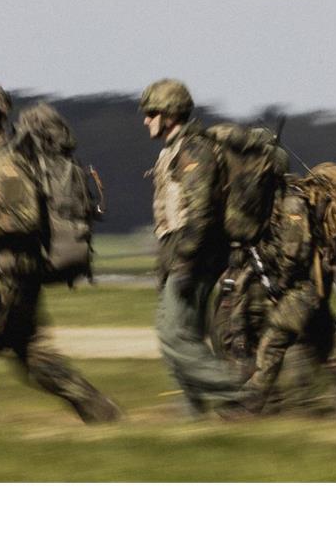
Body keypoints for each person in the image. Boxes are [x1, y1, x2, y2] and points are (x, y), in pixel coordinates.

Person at [0, 84, 120, 423]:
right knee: (36, 360)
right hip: (15, 272)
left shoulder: (6, 163)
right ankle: (104, 414)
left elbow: (24, 218)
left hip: (8, 274)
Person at [140, 78, 245, 418]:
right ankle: (191, 412)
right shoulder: (175, 149)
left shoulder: (193, 150)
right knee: (182, 335)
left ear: (170, 114)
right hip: (180, 253)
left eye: (152, 112)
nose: (146, 120)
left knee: (173, 335)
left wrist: (184, 261)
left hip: (194, 256)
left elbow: (199, 213)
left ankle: (240, 392)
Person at [238, 163, 336, 415]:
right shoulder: (280, 200)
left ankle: (248, 407)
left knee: (273, 343)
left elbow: (294, 252)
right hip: (311, 286)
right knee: (322, 349)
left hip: (303, 287)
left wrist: (279, 283)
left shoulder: (291, 203)